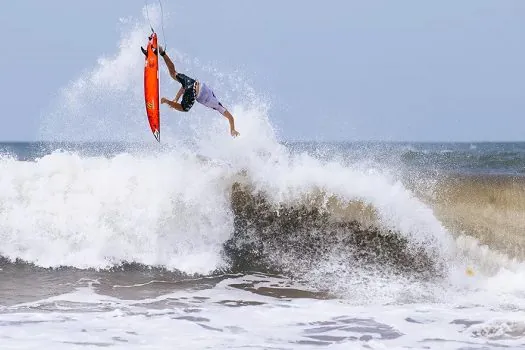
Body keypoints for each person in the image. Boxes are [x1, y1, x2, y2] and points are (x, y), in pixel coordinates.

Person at [158, 46, 240, 137]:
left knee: (173, 73)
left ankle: (162, 52)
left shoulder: (211, 94)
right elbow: (230, 117)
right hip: (194, 91)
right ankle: (165, 101)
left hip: (192, 82)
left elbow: (184, 87)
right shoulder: (218, 106)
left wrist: (176, 99)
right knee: (184, 108)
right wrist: (232, 130)